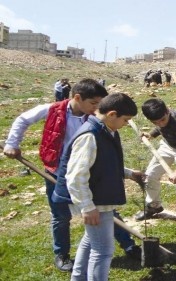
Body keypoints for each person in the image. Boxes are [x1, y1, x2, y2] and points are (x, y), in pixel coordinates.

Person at [3, 79, 141, 272]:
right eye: (94, 103)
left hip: (89, 174)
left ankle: (128, 244)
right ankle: (62, 254)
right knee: (61, 215)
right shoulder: (52, 109)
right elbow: (23, 120)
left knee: (106, 211)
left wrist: (124, 172)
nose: (97, 108)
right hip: (57, 171)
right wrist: (12, 144)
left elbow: (100, 156)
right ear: (77, 98)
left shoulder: (96, 120)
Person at [53, 93, 142, 280]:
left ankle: (78, 277)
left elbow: (102, 163)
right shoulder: (90, 136)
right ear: (112, 114)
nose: (126, 124)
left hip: (98, 197)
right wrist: (87, 206)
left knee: (91, 241)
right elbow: (76, 176)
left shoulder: (105, 131)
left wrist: (128, 173)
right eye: (125, 120)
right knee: (103, 250)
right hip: (94, 201)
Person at [134, 99, 176, 230]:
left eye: (162, 120)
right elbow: (160, 127)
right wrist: (151, 134)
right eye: (155, 122)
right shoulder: (160, 119)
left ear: (168, 111)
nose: (160, 124)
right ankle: (154, 206)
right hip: (168, 145)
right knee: (150, 175)